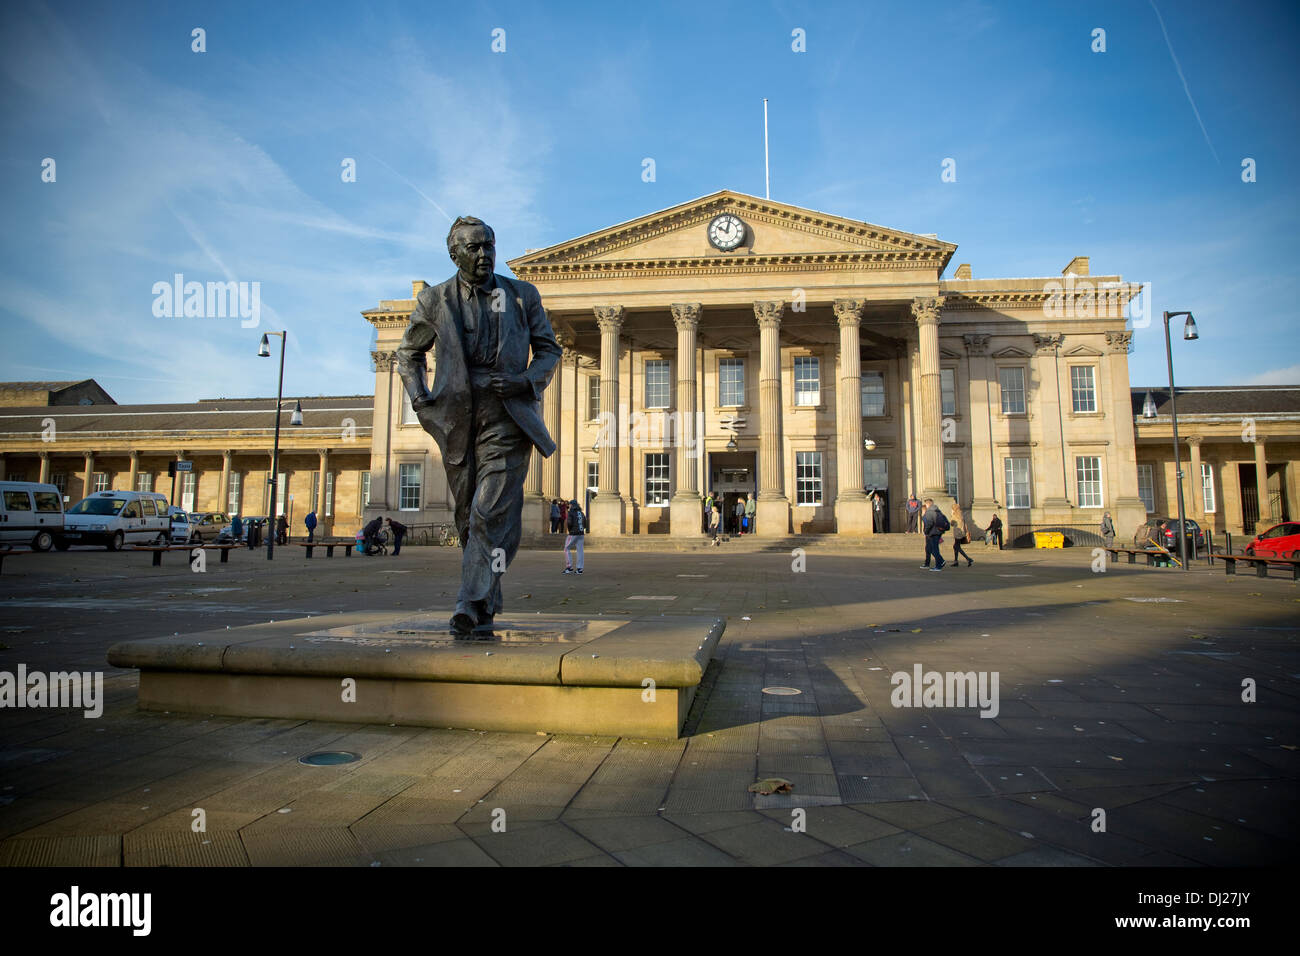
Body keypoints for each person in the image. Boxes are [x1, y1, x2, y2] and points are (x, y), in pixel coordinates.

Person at [397, 216, 562, 635]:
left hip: (508, 417)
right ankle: (487, 596)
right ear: (455, 254)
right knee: (469, 517)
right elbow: (408, 354)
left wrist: (526, 380)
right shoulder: (434, 300)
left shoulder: (522, 296)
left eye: (489, 245)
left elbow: (548, 350)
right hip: (458, 419)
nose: (485, 254)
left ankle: (467, 602)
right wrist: (419, 398)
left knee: (490, 511)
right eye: (474, 248)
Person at [921, 497, 949, 570]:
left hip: (933, 533)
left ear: (927, 504)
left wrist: (926, 531)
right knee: (934, 549)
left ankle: (938, 566)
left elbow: (929, 524)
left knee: (934, 550)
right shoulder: (937, 511)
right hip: (939, 532)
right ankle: (940, 562)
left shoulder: (929, 512)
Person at [563, 499, 585, 573]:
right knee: (580, 550)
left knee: (566, 548)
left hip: (573, 533)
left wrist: (570, 530)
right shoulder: (581, 513)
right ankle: (580, 568)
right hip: (581, 533)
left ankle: (569, 567)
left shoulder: (571, 512)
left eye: (570, 504)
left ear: (572, 505)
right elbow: (585, 522)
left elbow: (569, 522)